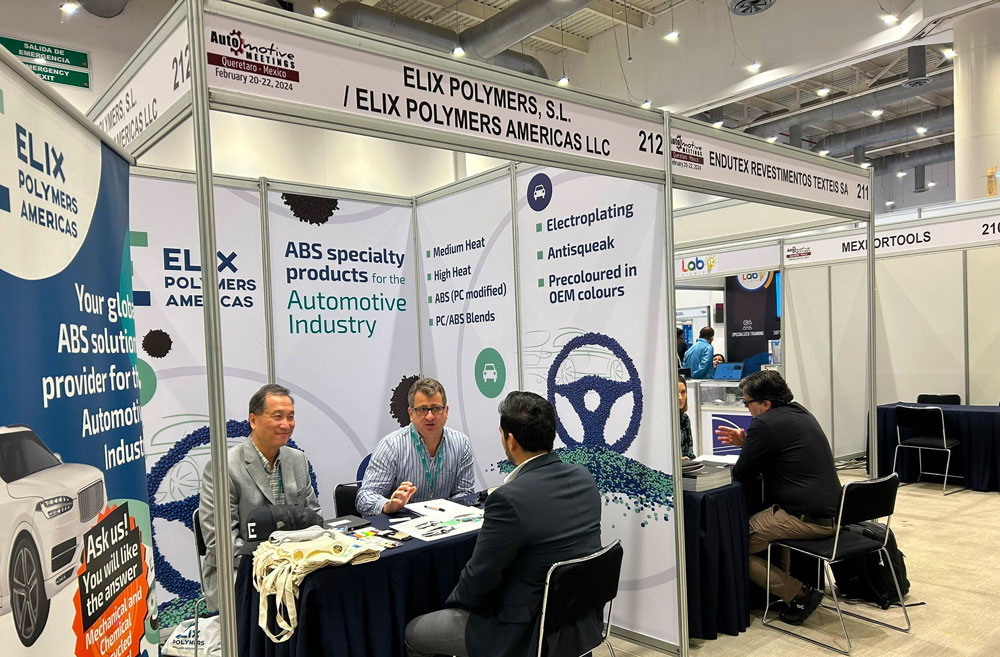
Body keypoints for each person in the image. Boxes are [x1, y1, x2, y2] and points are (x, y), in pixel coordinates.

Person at [404, 391, 603, 657]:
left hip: (522, 632)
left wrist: (453, 604)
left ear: (510, 441)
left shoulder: (508, 499)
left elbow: (478, 580)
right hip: (580, 621)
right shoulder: (584, 478)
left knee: (414, 632)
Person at [715, 370, 841, 626]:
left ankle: (799, 594)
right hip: (833, 515)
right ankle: (782, 593)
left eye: (747, 403)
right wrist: (749, 444)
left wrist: (748, 446)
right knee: (768, 526)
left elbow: (743, 473)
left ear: (766, 404)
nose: (747, 409)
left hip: (804, 519)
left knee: (731, 544)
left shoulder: (764, 423)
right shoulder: (801, 412)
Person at [198, 383, 322, 611]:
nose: (286, 424)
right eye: (278, 416)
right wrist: (272, 565)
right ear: (253, 420)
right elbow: (221, 542)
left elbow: (314, 517)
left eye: (291, 417)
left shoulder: (297, 460)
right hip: (240, 569)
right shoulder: (223, 467)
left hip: (294, 564)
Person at [356, 377, 476, 516]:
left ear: (446, 411)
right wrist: (388, 506)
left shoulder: (461, 443)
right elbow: (365, 497)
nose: (430, 416)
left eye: (436, 408)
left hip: (447, 522)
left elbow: (466, 494)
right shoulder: (390, 446)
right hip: (403, 524)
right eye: (422, 409)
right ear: (411, 414)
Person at [678, 375, 695, 459]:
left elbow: (690, 453)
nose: (680, 397)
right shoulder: (661, 421)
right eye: (676, 393)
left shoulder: (684, 419)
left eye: (683, 392)